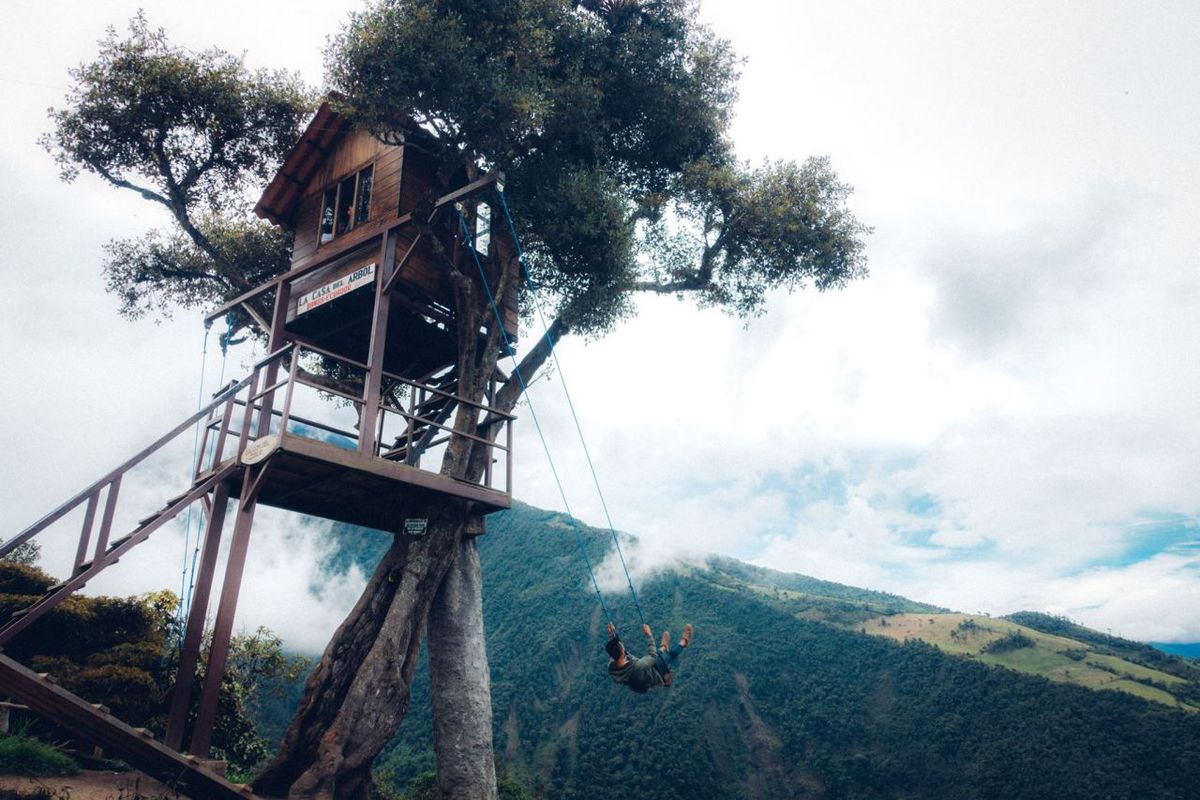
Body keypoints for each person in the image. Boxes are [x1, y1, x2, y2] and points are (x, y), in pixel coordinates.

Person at [605, 621, 693, 693]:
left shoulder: (613, 667)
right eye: (621, 645)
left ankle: (663, 647)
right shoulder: (637, 666)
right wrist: (649, 635)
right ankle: (684, 642)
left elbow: (615, 649)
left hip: (644, 673)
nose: (622, 645)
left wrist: (612, 634)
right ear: (621, 652)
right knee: (669, 655)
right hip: (656, 673)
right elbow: (652, 655)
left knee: (658, 655)